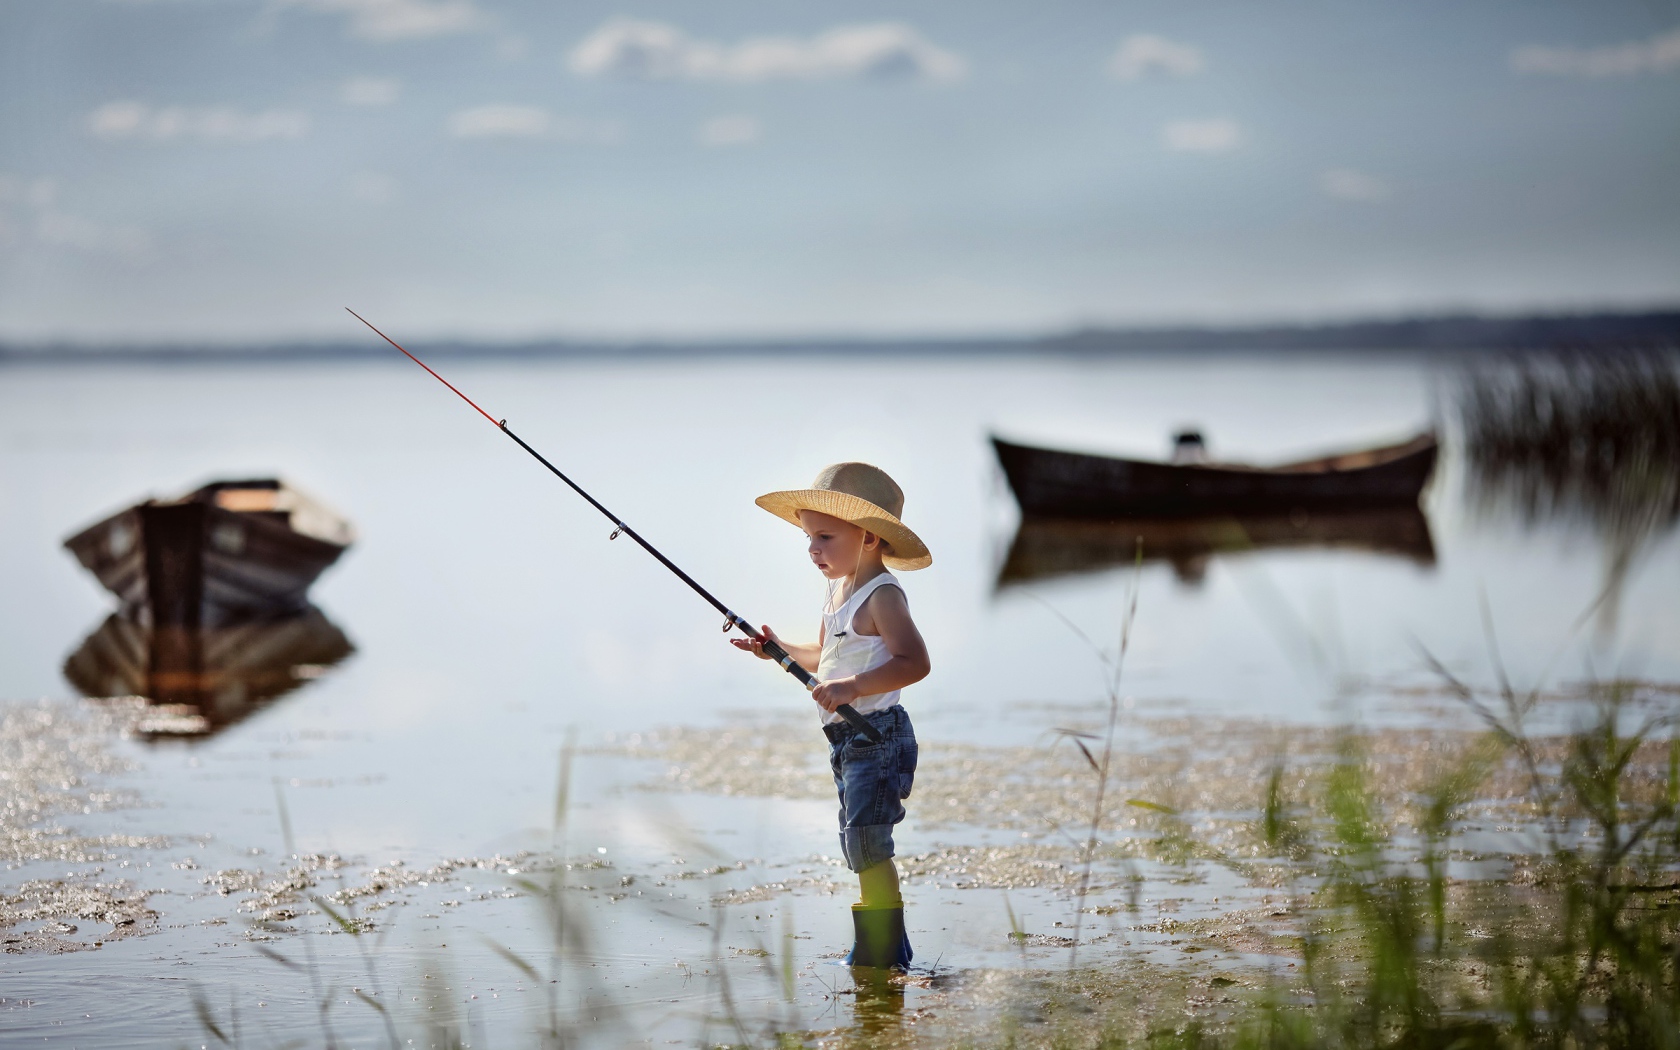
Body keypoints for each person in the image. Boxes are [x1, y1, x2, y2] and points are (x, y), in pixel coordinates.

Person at [734, 462, 931, 969]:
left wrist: (852, 687)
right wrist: (776, 649)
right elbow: (822, 659)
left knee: (868, 841)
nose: (812, 549)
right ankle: (889, 947)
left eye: (824, 536)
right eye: (808, 538)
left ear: (867, 536)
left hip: (877, 734)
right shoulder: (839, 593)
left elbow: (914, 662)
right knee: (855, 838)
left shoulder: (882, 595)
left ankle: (882, 949)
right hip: (846, 739)